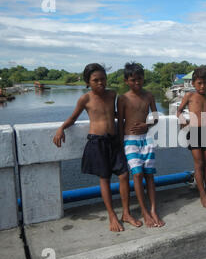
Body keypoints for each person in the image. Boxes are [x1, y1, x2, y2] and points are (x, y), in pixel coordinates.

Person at [53, 63, 142, 232]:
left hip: (114, 140)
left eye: (103, 79)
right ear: (88, 82)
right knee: (105, 178)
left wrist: (136, 117)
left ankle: (126, 213)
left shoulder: (112, 94)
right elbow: (73, 118)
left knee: (124, 175)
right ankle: (111, 215)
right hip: (97, 142)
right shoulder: (85, 99)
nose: (101, 83)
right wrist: (61, 128)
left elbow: (116, 114)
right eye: (96, 80)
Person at [118, 62, 165, 227]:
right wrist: (119, 142)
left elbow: (156, 116)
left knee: (149, 175)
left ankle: (153, 210)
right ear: (126, 81)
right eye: (133, 80)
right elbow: (120, 123)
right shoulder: (123, 98)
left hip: (147, 138)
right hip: (130, 140)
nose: (137, 83)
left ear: (143, 78)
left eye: (139, 79)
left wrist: (147, 125)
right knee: (137, 174)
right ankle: (144, 211)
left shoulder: (149, 96)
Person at [177, 67, 206, 208]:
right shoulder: (189, 96)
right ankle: (202, 195)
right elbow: (178, 111)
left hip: (205, 131)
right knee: (199, 164)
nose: (202, 86)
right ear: (193, 83)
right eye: (199, 83)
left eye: (205, 83)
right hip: (194, 132)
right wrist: (182, 120)